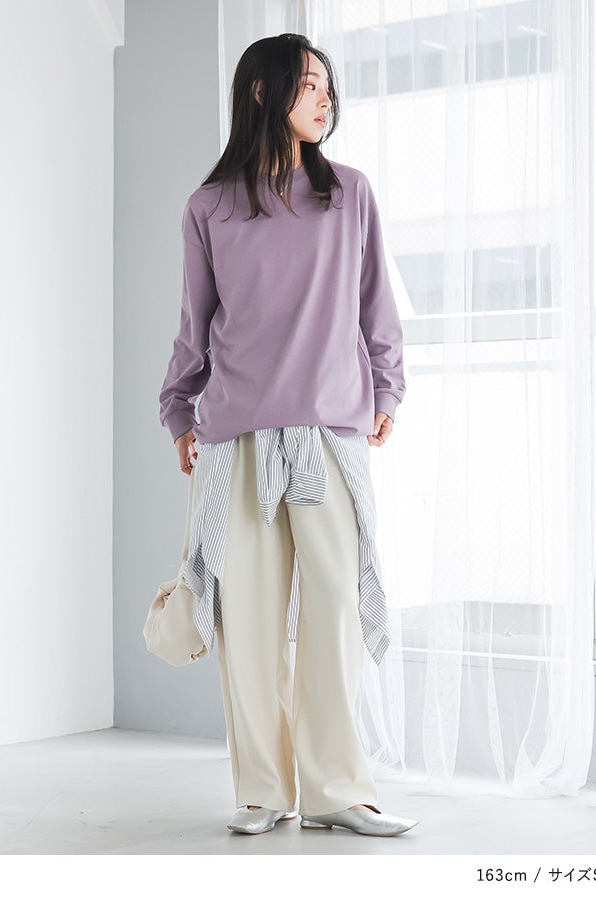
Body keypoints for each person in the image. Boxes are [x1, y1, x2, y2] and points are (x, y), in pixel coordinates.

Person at [158, 33, 417, 838]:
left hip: (328, 432)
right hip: (235, 437)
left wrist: (387, 386)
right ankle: (263, 791)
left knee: (335, 610)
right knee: (251, 621)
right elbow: (195, 325)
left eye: (327, 85)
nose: (325, 97)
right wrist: (178, 410)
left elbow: (376, 305)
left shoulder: (350, 194)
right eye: (309, 84)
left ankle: (336, 789)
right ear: (263, 92)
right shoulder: (210, 207)